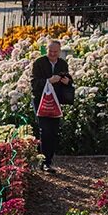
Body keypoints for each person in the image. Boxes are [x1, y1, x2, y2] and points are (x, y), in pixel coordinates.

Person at [30, 39, 72, 173]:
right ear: (46, 50)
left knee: (53, 132)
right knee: (45, 130)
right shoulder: (39, 63)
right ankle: (44, 162)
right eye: (50, 51)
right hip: (41, 101)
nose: (53, 54)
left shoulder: (62, 64)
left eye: (55, 52)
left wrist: (67, 81)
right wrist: (48, 81)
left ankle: (49, 160)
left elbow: (68, 80)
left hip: (55, 101)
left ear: (59, 52)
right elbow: (34, 83)